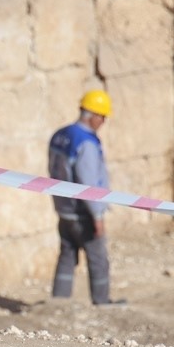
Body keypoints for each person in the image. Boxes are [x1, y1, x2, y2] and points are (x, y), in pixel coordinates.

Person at [49, 89, 122, 306]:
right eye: (103, 117)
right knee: (98, 259)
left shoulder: (60, 135)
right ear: (93, 115)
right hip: (84, 213)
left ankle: (58, 304)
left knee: (67, 256)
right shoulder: (86, 143)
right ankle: (102, 303)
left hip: (64, 209)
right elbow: (89, 183)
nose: (103, 122)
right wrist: (98, 216)